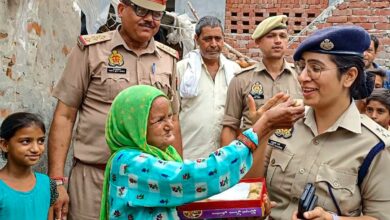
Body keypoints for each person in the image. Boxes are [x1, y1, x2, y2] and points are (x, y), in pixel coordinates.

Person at [47, 0, 183, 219]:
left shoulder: (168, 59)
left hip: (149, 182)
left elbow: (173, 121)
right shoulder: (91, 51)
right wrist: (56, 183)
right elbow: (65, 116)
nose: (149, 19)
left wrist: (177, 177)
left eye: (156, 14)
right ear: (121, 10)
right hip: (95, 180)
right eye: (141, 10)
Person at [99, 85, 305, 219]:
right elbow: (198, 176)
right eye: (159, 120)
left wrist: (248, 206)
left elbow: (189, 202)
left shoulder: (164, 155)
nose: (170, 125)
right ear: (133, 127)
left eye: (170, 116)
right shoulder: (129, 162)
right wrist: (261, 127)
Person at [259, 25, 390, 219]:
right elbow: (252, 184)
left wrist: (333, 219)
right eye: (302, 67)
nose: (302, 77)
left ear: (349, 76)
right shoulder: (285, 122)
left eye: (316, 68)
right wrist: (262, 128)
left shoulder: (375, 145)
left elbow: (380, 216)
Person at [221, 15, 303, 146]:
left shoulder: (301, 78)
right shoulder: (241, 80)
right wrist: (229, 164)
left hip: (291, 158)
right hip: (253, 157)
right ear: (258, 42)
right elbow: (230, 127)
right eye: (271, 36)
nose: (278, 41)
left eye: (282, 36)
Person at [177, 16, 241, 159]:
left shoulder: (235, 71)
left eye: (218, 39)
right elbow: (173, 116)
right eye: (208, 39)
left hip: (225, 158)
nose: (213, 44)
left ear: (223, 40)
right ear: (196, 39)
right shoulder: (182, 69)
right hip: (190, 158)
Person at [0, 112, 58, 219]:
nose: (35, 149)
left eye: (40, 141)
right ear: (5, 145)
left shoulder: (48, 184)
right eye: (26, 141)